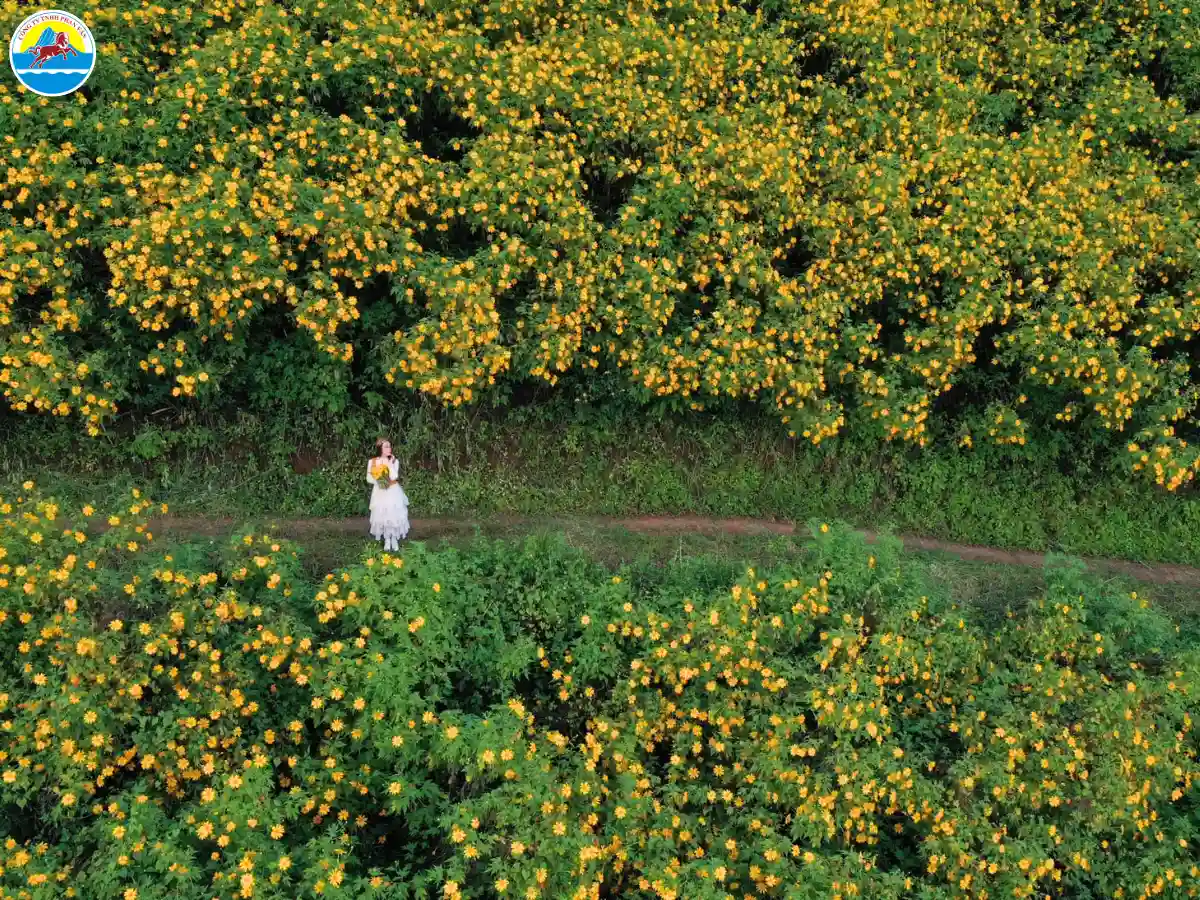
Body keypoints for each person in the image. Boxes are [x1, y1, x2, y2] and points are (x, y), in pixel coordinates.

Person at [367, 437, 409, 551]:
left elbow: (394, 476)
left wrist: (389, 464)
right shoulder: (373, 461)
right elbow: (369, 478)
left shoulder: (395, 461)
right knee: (383, 515)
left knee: (393, 514)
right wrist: (380, 481)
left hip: (393, 491)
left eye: (390, 446)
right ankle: (387, 539)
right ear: (380, 448)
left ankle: (394, 538)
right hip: (380, 491)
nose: (389, 448)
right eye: (386, 446)